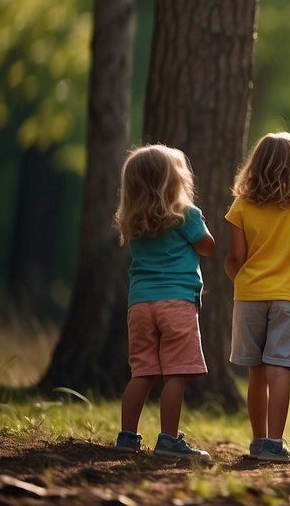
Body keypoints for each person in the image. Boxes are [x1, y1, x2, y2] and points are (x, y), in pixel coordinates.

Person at [225, 131, 290, 464]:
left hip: (250, 295)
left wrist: (241, 278)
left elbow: (236, 259)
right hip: (289, 297)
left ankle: (257, 441)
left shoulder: (241, 206)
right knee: (280, 370)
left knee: (256, 372)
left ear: (254, 166)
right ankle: (274, 443)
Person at [113, 144, 216, 461]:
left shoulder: (132, 219)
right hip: (177, 303)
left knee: (141, 372)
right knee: (176, 372)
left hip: (140, 304)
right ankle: (168, 439)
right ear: (173, 181)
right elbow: (208, 247)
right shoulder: (185, 215)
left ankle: (127, 437)